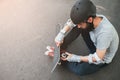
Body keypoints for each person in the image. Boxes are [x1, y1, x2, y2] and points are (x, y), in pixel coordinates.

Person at [46, 0, 119, 76]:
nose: (78, 26)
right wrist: (61, 33)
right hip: (96, 41)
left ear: (90, 20)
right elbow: (74, 22)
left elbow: (98, 57)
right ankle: (61, 45)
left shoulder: (105, 33)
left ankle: (63, 58)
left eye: (80, 24)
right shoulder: (93, 17)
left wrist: (73, 57)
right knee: (80, 27)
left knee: (80, 70)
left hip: (102, 56)